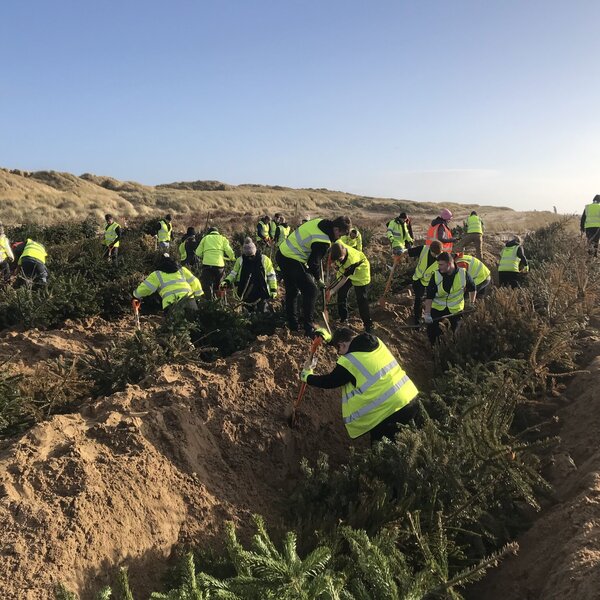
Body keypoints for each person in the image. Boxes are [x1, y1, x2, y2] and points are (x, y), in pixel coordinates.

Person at [300, 327, 419, 444]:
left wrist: (308, 377)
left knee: (385, 453)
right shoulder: (376, 342)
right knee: (419, 443)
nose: (339, 354)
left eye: (338, 349)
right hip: (410, 399)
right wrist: (331, 340)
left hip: (388, 413)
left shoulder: (349, 362)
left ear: (342, 344)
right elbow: (351, 346)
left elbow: (330, 381)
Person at [276, 216, 351, 336]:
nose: (339, 238)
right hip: (292, 258)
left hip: (282, 253)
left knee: (292, 291)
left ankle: (293, 326)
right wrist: (318, 279)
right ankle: (308, 327)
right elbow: (313, 263)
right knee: (311, 290)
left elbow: (313, 257)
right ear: (336, 229)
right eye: (340, 235)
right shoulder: (323, 241)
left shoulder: (319, 222)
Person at [424, 252, 476, 344]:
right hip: (437, 309)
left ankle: (451, 353)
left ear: (449, 264)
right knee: (433, 333)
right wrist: (427, 314)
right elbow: (429, 296)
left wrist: (472, 303)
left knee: (455, 334)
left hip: (455, 310)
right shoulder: (436, 275)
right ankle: (434, 351)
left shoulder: (463, 274)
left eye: (441, 265)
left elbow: (472, 288)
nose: (439, 267)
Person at [133, 253, 203, 316]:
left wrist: (135, 295)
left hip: (171, 304)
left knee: (176, 328)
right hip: (189, 301)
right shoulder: (182, 270)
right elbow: (196, 282)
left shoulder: (157, 274)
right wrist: (198, 298)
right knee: (194, 326)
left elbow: (145, 288)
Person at [222, 237, 277, 311]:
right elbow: (233, 274)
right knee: (247, 313)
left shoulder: (264, 259)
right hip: (245, 293)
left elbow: (271, 276)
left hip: (261, 292)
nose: (250, 258)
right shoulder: (240, 260)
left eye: (251, 256)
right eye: (247, 256)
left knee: (263, 312)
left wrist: (273, 289)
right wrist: (227, 281)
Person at [329, 241, 372, 332]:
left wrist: (331, 292)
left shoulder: (350, 260)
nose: (338, 261)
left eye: (339, 259)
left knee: (361, 299)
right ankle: (343, 319)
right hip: (347, 272)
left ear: (344, 253)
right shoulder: (338, 245)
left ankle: (368, 325)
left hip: (361, 273)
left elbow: (344, 279)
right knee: (341, 293)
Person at [195, 226, 235, 299]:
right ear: (218, 233)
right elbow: (229, 250)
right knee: (221, 285)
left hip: (207, 266)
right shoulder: (222, 238)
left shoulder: (205, 238)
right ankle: (221, 301)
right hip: (219, 266)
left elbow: (198, 252)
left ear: (209, 232)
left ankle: (208, 302)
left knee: (207, 285)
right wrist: (232, 258)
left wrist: (205, 255)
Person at [408, 240, 443, 322]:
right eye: (435, 254)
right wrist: (399, 255)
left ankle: (434, 317)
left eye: (438, 254)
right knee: (418, 299)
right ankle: (417, 320)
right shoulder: (423, 249)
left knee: (432, 299)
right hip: (418, 280)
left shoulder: (442, 257)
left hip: (431, 282)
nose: (436, 256)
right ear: (430, 250)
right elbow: (409, 252)